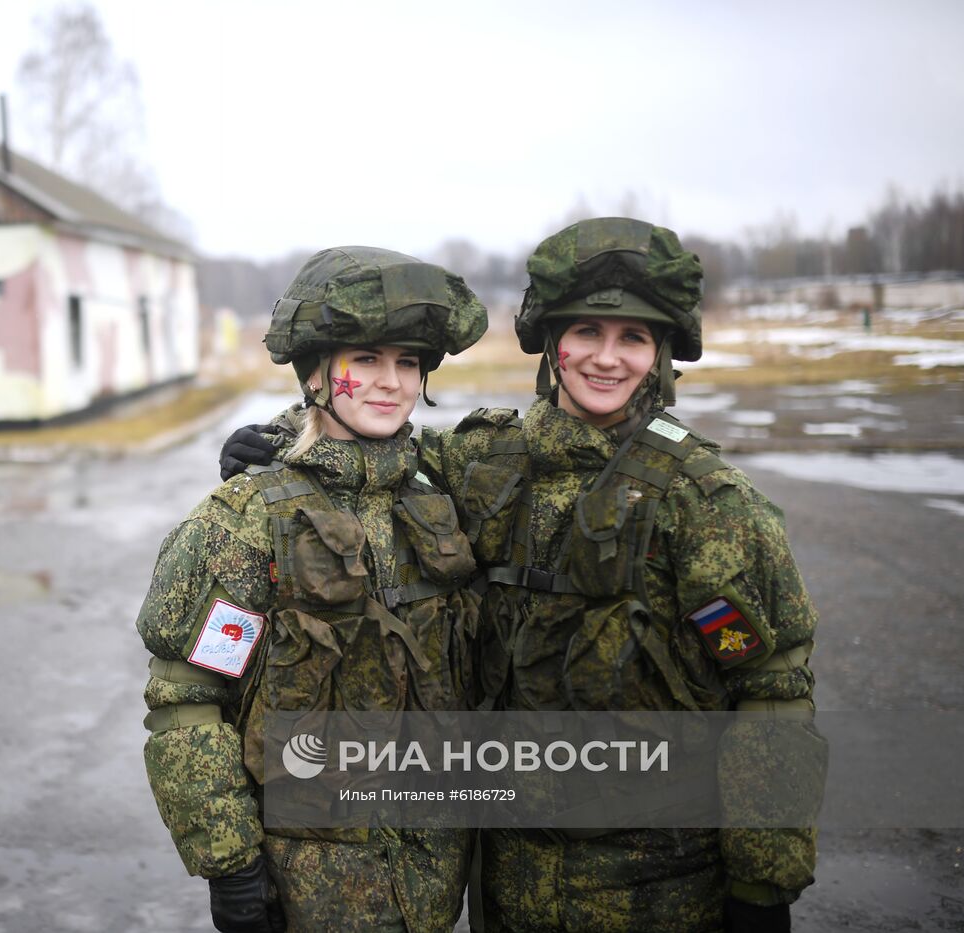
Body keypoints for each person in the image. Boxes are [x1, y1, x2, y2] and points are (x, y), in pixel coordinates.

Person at [221, 219, 822, 933]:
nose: (607, 358)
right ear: (551, 344)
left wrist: (763, 882)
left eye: (633, 338)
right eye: (586, 333)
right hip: (505, 881)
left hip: (657, 887)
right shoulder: (483, 462)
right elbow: (371, 445)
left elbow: (770, 693)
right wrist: (284, 436)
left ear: (661, 354)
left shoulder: (707, 504)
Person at [137, 245, 489, 933]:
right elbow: (188, 701)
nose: (391, 382)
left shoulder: (436, 497)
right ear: (318, 374)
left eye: (408, 362)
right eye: (367, 360)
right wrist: (231, 865)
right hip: (308, 898)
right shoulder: (247, 517)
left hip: (431, 887)